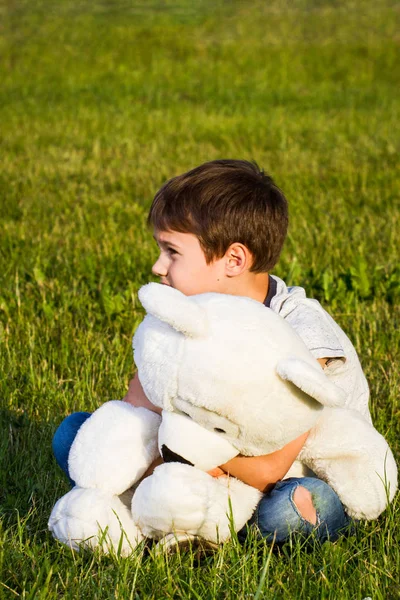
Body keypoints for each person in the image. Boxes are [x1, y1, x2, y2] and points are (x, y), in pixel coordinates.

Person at [53, 160, 369, 544]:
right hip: (201, 453)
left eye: (171, 252)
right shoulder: (188, 312)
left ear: (234, 260)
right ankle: (182, 514)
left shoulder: (299, 335)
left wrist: (180, 453)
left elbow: (271, 468)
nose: (157, 266)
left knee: (286, 513)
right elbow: (138, 405)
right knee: (76, 433)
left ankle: (190, 516)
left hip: (289, 475)